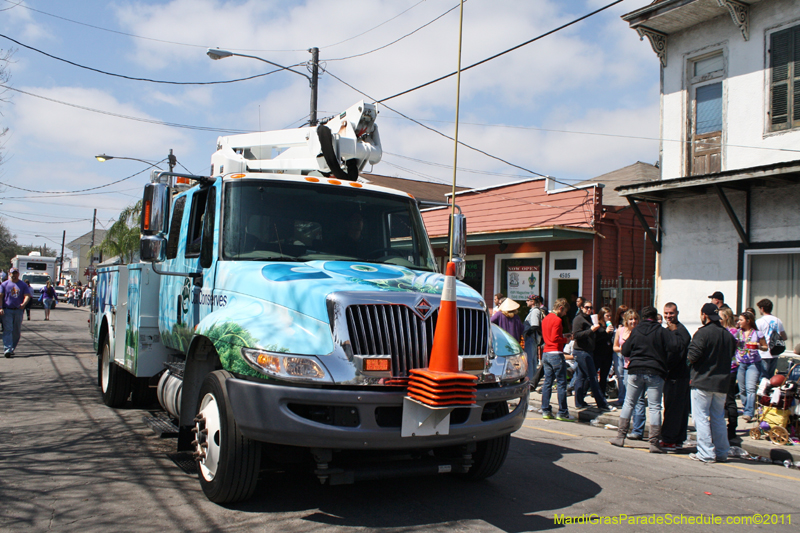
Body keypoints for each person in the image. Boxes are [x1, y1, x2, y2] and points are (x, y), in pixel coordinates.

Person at [610, 306, 686, 453]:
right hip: (655, 371)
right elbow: (675, 346)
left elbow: (625, 350)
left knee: (629, 402)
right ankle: (654, 442)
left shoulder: (636, 331)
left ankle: (620, 436)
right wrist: (675, 332)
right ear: (656, 317)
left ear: (643, 317)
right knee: (655, 406)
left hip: (635, 370)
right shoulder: (661, 331)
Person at [687, 303, 737, 463]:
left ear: (704, 315)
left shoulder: (702, 333)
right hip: (722, 383)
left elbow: (692, 356)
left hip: (703, 381)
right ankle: (722, 452)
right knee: (718, 418)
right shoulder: (728, 335)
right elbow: (732, 354)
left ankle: (706, 452)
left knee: (701, 417)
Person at [660, 302, 692, 451]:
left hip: (677, 376)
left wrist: (665, 369)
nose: (668, 316)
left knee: (674, 409)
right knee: (677, 408)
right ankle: (677, 439)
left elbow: (676, 353)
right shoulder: (668, 330)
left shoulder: (681, 331)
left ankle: (670, 440)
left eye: (671, 313)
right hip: (673, 376)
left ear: (677, 313)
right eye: (666, 313)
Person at [571, 300, 613, 411]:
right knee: (593, 377)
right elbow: (576, 335)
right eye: (587, 307)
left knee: (581, 377)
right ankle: (602, 403)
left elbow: (597, 334)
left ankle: (579, 402)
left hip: (589, 351)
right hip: (581, 351)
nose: (589, 309)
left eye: (591, 307)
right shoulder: (578, 319)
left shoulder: (590, 318)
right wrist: (591, 330)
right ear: (581, 308)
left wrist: (603, 331)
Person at [540, 298, 575, 422]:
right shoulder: (557, 320)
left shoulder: (546, 318)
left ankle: (545, 410)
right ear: (561, 308)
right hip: (556, 352)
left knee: (547, 382)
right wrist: (566, 340)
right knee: (561, 383)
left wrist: (563, 336)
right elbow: (555, 338)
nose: (565, 314)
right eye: (564, 311)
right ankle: (562, 412)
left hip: (546, 352)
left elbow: (550, 336)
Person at [734, 311, 767, 423]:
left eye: (741, 320)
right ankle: (746, 406)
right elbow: (733, 347)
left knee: (751, 389)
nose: (739, 322)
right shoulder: (738, 333)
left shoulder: (758, 333)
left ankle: (749, 412)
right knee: (742, 389)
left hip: (753, 363)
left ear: (748, 321)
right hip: (741, 363)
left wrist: (758, 346)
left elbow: (765, 347)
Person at [719, 308, 740, 440]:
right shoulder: (724, 331)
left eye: (720, 317)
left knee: (729, 399)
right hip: (722, 368)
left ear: (726, 317)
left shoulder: (732, 332)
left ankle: (732, 427)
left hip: (730, 368)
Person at [0, 267, 32, 357]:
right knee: (8, 329)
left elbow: (27, 296)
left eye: (15, 273)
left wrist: (24, 304)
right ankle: (7, 349)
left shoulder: (23, 285)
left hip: (18, 310)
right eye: (12, 273)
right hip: (7, 310)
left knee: (16, 331)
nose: (14, 275)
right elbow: (0, 296)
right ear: (9, 274)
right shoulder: (4, 284)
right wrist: (0, 308)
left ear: (18, 274)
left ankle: (12, 348)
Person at [755, 298, 787, 379]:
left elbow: (755, 337)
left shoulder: (759, 322)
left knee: (763, 377)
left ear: (762, 309)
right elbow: (784, 337)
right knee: (771, 377)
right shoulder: (778, 320)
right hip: (775, 351)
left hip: (763, 352)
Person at [523, 295, 545, 387]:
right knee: (532, 359)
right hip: (532, 338)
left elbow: (535, 325)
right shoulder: (534, 311)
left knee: (530, 359)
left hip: (531, 338)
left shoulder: (535, 311)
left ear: (532, 301)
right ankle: (532, 380)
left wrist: (527, 333)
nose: (526, 302)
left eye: (528, 300)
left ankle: (530, 381)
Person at [594, 306, 615, 400]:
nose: (609, 318)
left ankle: (602, 394)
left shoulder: (609, 325)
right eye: (607, 316)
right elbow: (596, 339)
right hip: (598, 353)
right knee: (593, 374)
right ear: (602, 316)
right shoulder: (598, 326)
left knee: (604, 375)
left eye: (610, 316)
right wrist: (605, 332)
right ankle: (592, 391)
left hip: (607, 354)